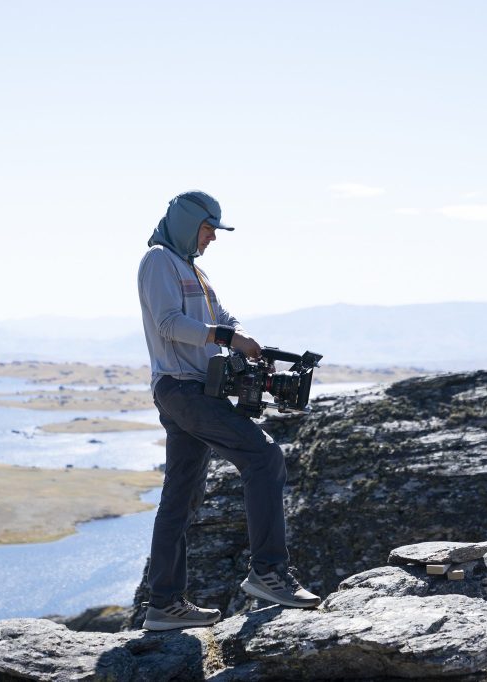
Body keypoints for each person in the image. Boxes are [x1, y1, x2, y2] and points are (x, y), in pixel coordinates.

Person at [136, 190, 321, 631]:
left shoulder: (192, 270)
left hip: (196, 391)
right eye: (208, 229)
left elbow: (222, 316)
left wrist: (243, 335)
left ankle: (164, 605)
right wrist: (226, 338)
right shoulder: (159, 261)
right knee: (264, 456)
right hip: (183, 390)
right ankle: (269, 573)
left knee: (181, 496)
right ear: (187, 224)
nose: (213, 239)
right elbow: (168, 324)